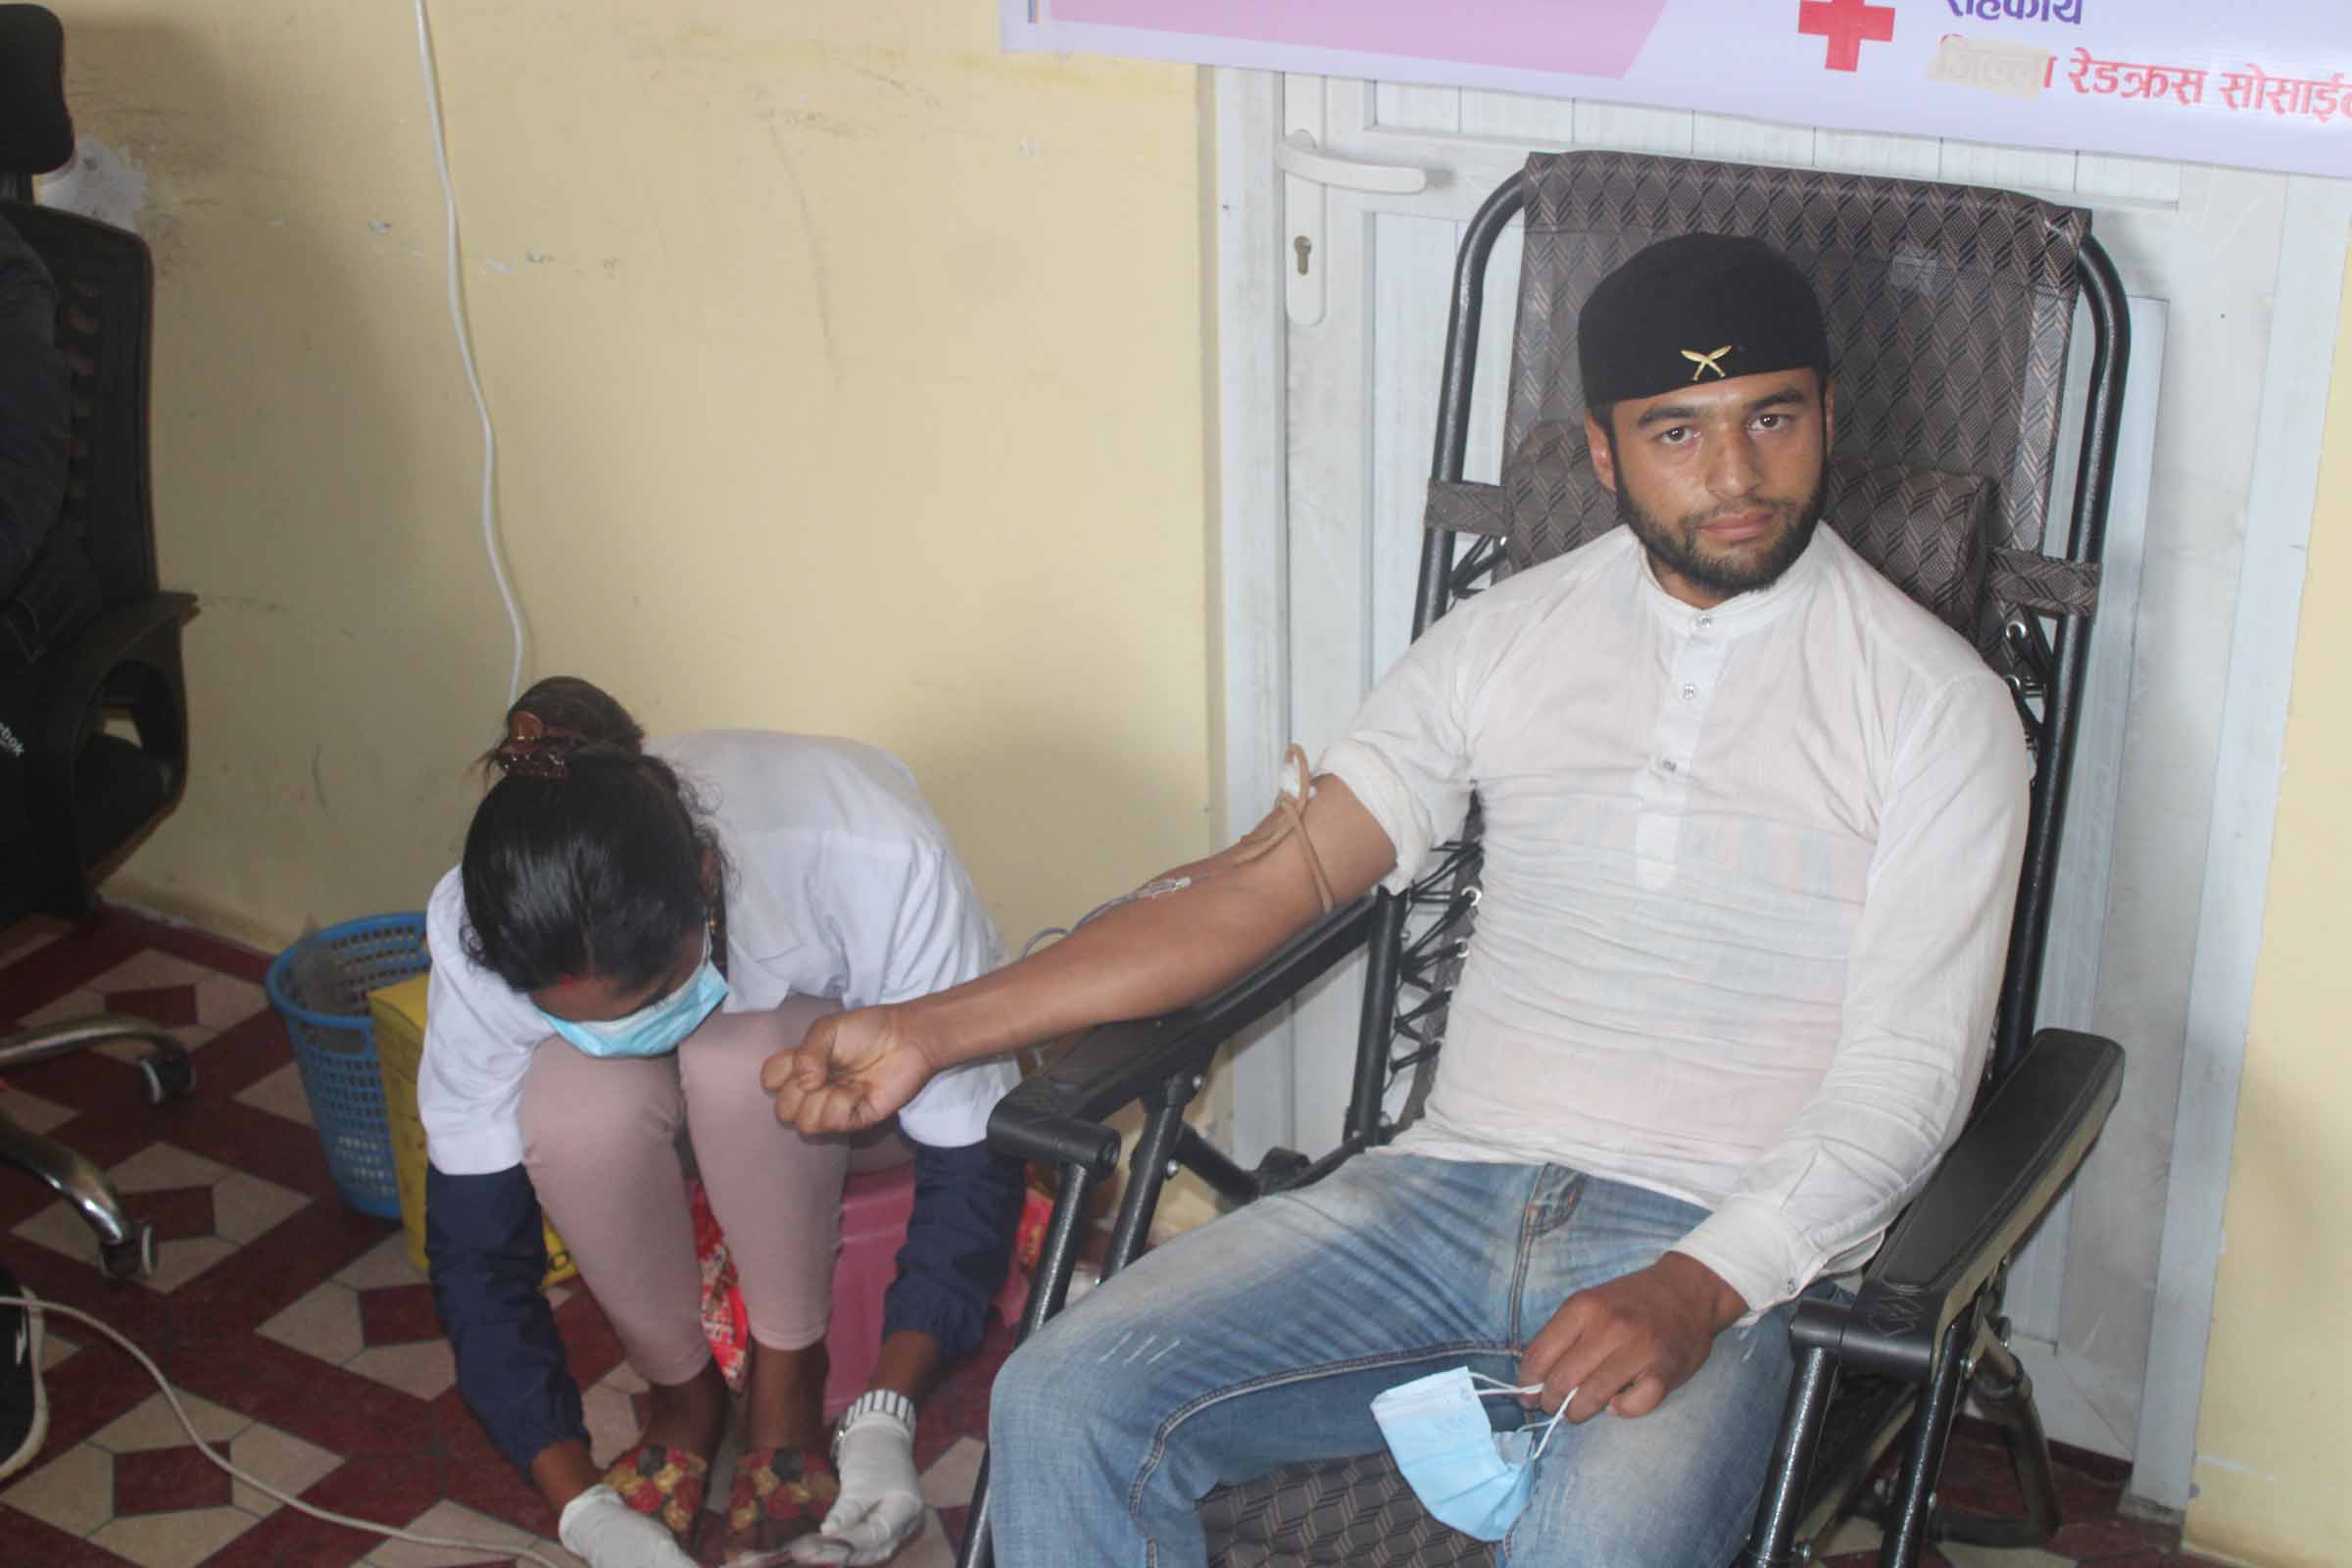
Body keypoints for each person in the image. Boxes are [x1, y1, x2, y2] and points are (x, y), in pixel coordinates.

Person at [761, 235, 2033, 1565]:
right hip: (1437, 1201)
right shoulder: (1504, 638)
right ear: (1603, 454)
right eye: (1677, 431)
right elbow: (1268, 881)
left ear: (1828, 414)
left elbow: (1911, 1076)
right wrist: (930, 1029)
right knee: (1066, 1397)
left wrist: (1703, 1284)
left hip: (1720, 1241)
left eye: (1771, 418)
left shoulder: (1935, 707)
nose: (1733, 476)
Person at [420, 678, 1024, 1568]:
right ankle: (683, 1396)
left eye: (651, 994)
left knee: (742, 1061)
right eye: (581, 1020)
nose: (627, 1033)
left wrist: (886, 1418)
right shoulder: (486, 923)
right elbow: (476, 1253)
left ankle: (790, 1389)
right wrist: (579, 1507)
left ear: (705, 881)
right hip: (672, 1124)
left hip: (852, 1108)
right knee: (571, 1104)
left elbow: (973, 1162)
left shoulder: (867, 851)